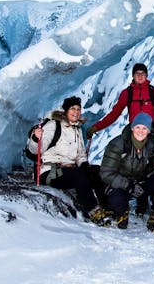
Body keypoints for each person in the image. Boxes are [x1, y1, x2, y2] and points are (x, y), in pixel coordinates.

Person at [86, 63, 154, 217]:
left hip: (152, 137)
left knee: (151, 169)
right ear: (133, 76)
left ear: (147, 75)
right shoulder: (127, 94)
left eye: (143, 73)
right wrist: (97, 127)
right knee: (135, 167)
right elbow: (114, 114)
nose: (140, 76)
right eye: (137, 73)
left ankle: (148, 206)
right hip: (134, 135)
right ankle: (136, 202)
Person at [27, 96, 107, 225]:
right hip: (50, 171)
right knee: (79, 175)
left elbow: (80, 153)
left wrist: (85, 165)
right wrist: (36, 138)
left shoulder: (77, 129)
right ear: (65, 111)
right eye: (72, 108)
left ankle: (106, 207)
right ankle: (93, 210)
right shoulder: (53, 125)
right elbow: (35, 151)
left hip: (69, 170)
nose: (76, 112)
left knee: (96, 171)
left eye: (78, 109)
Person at [100, 112, 154, 232]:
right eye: (138, 127)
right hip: (121, 184)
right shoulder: (118, 144)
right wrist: (128, 185)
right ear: (132, 127)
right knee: (116, 200)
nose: (141, 131)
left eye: (144, 128)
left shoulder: (152, 143)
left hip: (141, 182)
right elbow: (107, 173)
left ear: (149, 131)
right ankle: (121, 211)